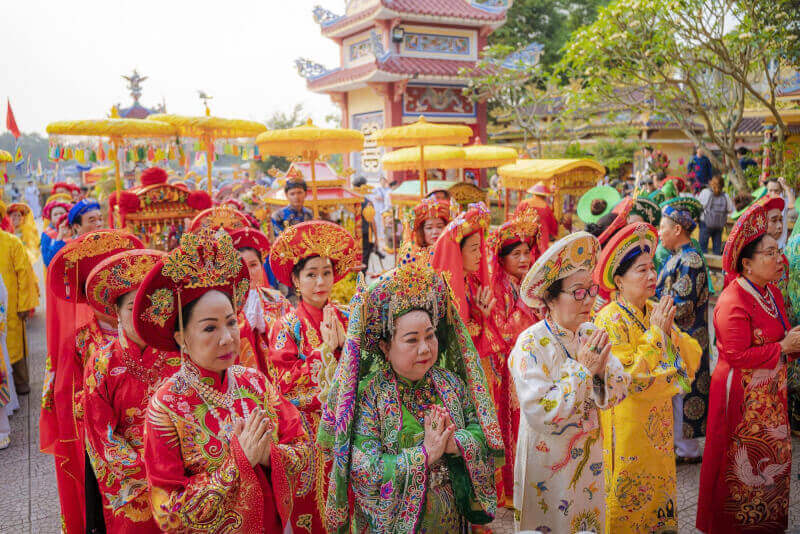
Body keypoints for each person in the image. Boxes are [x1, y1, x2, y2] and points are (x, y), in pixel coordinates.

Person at [134, 228, 311, 532]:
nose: (228, 338)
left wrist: (271, 455)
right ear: (181, 338)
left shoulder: (255, 382)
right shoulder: (166, 408)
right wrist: (238, 463)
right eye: (209, 328)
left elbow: (305, 453)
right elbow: (169, 512)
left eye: (231, 322)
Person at [318, 258, 503, 533]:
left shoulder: (450, 384)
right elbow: (364, 468)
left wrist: (455, 443)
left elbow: (484, 433)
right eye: (411, 340)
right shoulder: (370, 396)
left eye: (430, 336)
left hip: (452, 520)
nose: (426, 348)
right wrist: (424, 455)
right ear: (384, 346)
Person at [509, 231, 630, 532]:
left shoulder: (589, 332)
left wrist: (601, 373)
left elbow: (619, 389)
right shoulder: (530, 344)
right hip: (547, 459)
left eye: (591, 290)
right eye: (578, 292)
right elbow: (540, 411)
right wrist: (584, 370)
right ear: (550, 298)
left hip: (588, 460)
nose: (588, 299)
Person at [696, 203, 800, 533]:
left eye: (777, 251)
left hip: (770, 395)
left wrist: (790, 345)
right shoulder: (732, 300)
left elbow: (781, 340)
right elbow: (737, 355)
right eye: (769, 253)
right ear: (747, 263)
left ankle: (764, 523)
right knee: (739, 462)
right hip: (740, 398)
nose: (779, 259)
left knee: (773, 459)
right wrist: (783, 348)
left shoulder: (772, 293)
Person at [593, 222, 702, 533]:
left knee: (659, 497)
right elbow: (630, 380)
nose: (653, 276)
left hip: (659, 425)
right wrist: (657, 337)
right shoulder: (608, 319)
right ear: (618, 280)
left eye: (652, 268)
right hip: (628, 428)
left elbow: (691, 357)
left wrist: (668, 340)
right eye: (641, 271)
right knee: (628, 502)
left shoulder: (653, 309)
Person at [40, 229, 143, 534]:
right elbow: (62, 395)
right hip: (101, 439)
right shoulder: (79, 341)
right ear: (88, 292)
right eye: (100, 286)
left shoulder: (150, 327)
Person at [267, 220, 358, 532]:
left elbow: (372, 370)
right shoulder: (285, 326)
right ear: (295, 280)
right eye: (311, 274)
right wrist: (322, 353)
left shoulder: (348, 318)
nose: (321, 281)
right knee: (314, 509)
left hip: (351, 427)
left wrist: (347, 346)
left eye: (326, 272)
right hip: (308, 434)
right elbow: (284, 383)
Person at [82, 249, 177, 532]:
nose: (142, 316)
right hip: (131, 484)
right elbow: (102, 435)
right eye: (132, 307)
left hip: (183, 475)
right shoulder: (102, 362)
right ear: (116, 313)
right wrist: (149, 471)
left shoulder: (180, 353)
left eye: (150, 306)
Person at [486, 209, 543, 507]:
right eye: (516, 254)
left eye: (527, 252)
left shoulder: (526, 286)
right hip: (511, 370)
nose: (524, 259)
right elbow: (505, 332)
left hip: (534, 363)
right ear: (502, 259)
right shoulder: (501, 289)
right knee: (516, 427)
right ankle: (512, 487)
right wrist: (525, 306)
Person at [657, 204, 710, 464]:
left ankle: (686, 450)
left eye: (662, 227)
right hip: (677, 337)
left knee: (683, 395)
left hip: (687, 338)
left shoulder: (691, 260)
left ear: (677, 229)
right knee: (678, 394)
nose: (659, 232)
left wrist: (652, 307)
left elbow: (683, 303)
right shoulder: (677, 256)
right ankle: (681, 447)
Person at [432, 202, 504, 390]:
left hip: (479, 365)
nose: (480, 255)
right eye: (473, 249)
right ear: (456, 252)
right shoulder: (440, 292)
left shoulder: (472, 284)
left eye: (480, 248)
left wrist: (483, 316)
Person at [229, 226, 291, 374]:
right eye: (241, 266)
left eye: (253, 265)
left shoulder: (277, 299)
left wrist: (269, 327)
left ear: (261, 265)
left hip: (273, 375)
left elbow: (291, 336)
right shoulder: (225, 305)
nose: (248, 272)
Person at [0, 215, 38, 396]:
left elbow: (25, 275)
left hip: (11, 307)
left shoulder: (12, 242)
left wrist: (24, 305)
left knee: (14, 345)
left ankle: (21, 382)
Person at [697, 174, 733, 254]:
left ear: (711, 183)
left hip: (705, 223)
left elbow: (698, 206)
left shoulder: (705, 192)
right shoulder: (725, 196)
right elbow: (731, 210)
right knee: (716, 249)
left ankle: (704, 266)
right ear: (723, 185)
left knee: (702, 249)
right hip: (719, 225)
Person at [40, 200, 72, 267]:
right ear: (51, 219)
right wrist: (60, 237)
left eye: (61, 213)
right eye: (55, 214)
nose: (59, 216)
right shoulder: (47, 234)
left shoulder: (74, 230)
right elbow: (48, 261)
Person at [765, 177, 795, 248]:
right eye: (770, 190)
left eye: (776, 191)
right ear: (767, 190)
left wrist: (786, 188)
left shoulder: (783, 202)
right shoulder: (763, 204)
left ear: (781, 191)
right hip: (767, 248)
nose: (773, 193)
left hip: (781, 247)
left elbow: (793, 204)